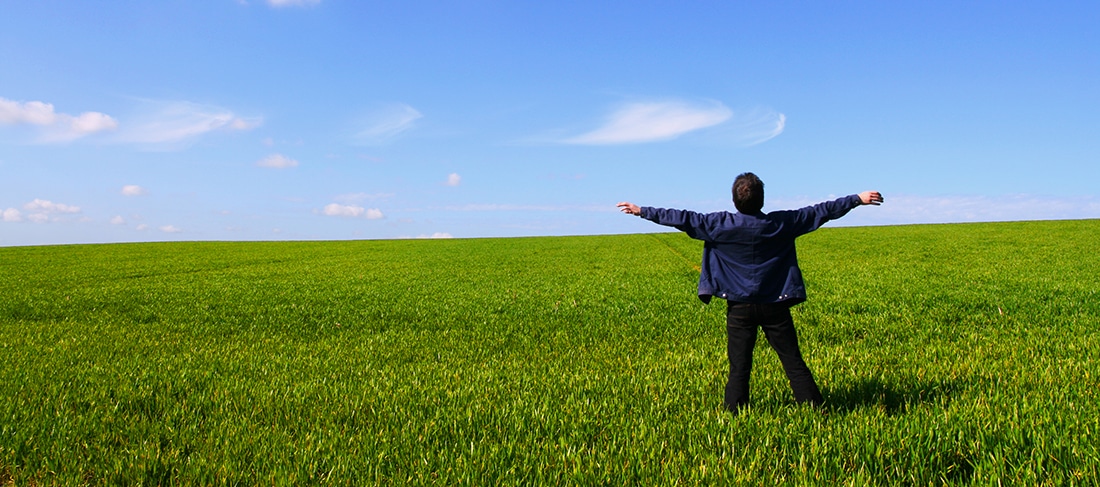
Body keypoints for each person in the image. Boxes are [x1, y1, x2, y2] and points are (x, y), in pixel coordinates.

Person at [617, 172, 883, 413]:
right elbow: (820, 212)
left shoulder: (718, 224)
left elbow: (682, 218)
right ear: (763, 199)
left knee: (740, 367)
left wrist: (642, 211)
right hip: (775, 305)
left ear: (734, 200)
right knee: (792, 361)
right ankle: (815, 410)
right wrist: (857, 199)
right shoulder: (782, 223)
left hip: (739, 307)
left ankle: (734, 415)